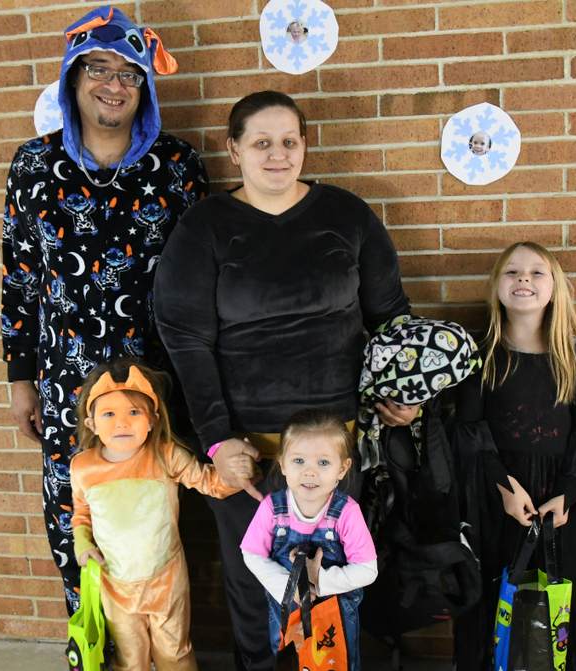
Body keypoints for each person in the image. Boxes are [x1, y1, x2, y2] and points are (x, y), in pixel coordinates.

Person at [154, 90, 417, 671]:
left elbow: (390, 316)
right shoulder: (206, 227)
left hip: (333, 451)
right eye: (261, 143)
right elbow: (185, 339)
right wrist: (219, 441)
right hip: (246, 454)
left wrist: (403, 393)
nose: (278, 155)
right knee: (258, 592)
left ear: (305, 145)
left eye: (289, 142)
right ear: (234, 150)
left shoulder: (345, 216)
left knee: (333, 587)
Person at [0, 5, 209, 613]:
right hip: (67, 386)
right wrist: (20, 380)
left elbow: (202, 279)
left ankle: (160, 643)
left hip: (155, 386)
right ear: (73, 77)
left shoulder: (178, 167)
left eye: (129, 74)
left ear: (143, 88)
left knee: (155, 526)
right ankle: (94, 646)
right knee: (78, 528)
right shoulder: (33, 166)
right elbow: (18, 280)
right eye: (98, 69)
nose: (113, 85)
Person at [453, 242, 576, 671]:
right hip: (499, 497)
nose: (523, 279)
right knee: (497, 595)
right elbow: (471, 432)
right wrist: (504, 487)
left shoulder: (575, 353)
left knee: (558, 601)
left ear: (555, 287)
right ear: (497, 286)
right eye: (512, 272)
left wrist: (568, 493)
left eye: (536, 272)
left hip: (559, 500)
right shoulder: (479, 352)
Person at [71, 361, 251, 670]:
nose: (121, 423)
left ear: (153, 420)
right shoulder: (83, 468)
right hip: (116, 584)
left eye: (133, 413)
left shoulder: (166, 456)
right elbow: (81, 516)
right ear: (91, 423)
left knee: (174, 652)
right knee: (130, 657)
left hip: (165, 579)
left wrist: (239, 470)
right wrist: (82, 544)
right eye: (109, 414)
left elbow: (208, 481)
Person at [241, 409, 377, 670]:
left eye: (323, 463)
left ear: (343, 468)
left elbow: (367, 570)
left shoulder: (346, 513)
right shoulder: (272, 508)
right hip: (287, 611)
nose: (310, 472)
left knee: (335, 664)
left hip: (333, 612)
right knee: (290, 663)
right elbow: (252, 554)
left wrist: (318, 582)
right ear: (282, 463)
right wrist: (290, 588)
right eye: (299, 461)